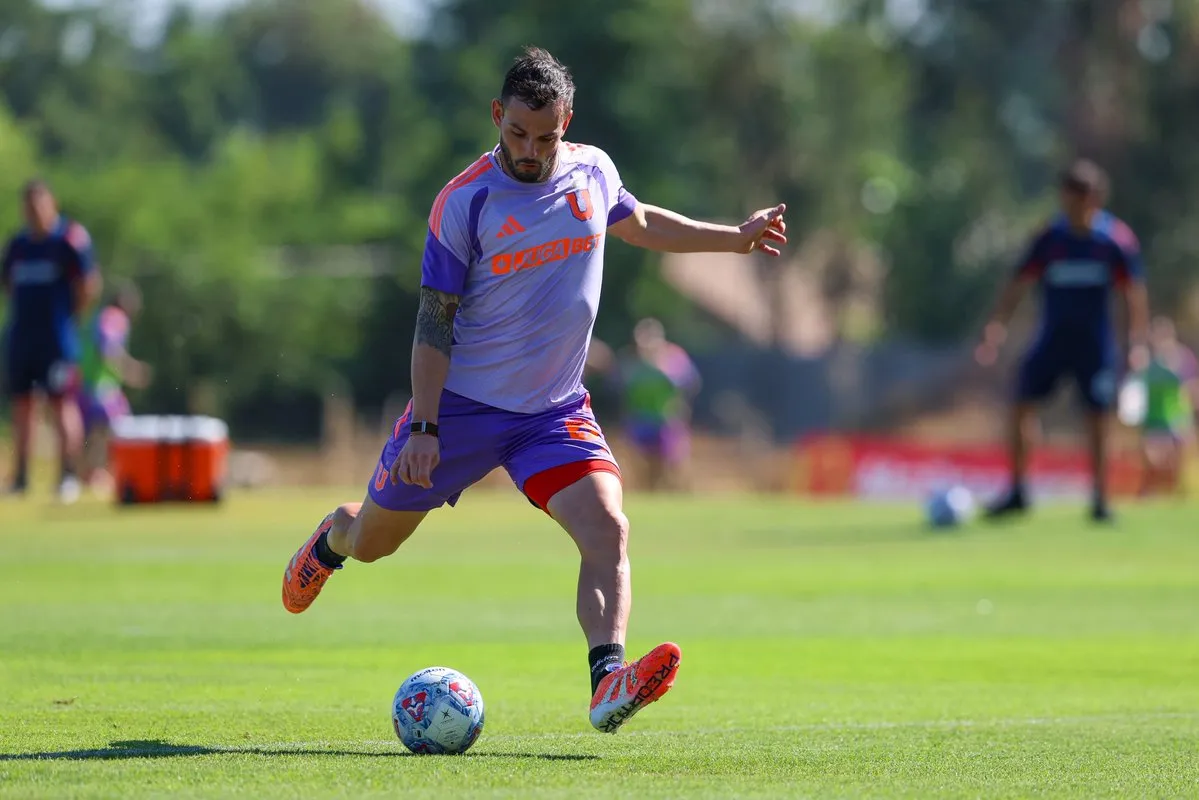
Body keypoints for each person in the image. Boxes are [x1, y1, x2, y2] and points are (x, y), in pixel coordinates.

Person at [281, 47, 787, 734]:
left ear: (565, 121)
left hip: (552, 411)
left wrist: (733, 238)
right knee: (374, 542)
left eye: (544, 135)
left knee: (608, 527)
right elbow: (433, 323)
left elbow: (637, 223)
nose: (529, 149)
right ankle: (331, 541)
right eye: (517, 132)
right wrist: (425, 428)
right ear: (497, 115)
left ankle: (607, 680)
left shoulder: (592, 169)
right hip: (459, 409)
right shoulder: (464, 202)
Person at [975, 159, 1149, 522]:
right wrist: (996, 325)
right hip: (1052, 340)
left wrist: (1136, 342)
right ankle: (1019, 491)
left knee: (1098, 417)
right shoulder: (1049, 239)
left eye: (1079, 199)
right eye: (1067, 199)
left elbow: (1133, 294)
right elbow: (1017, 283)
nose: (1072, 207)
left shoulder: (1114, 241)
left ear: (1095, 199)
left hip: (1094, 344)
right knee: (1021, 403)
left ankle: (1100, 500)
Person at [2, 180, 99, 502]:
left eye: (38, 205)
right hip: (22, 338)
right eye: (28, 207)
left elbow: (88, 285)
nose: (33, 213)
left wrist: (71, 319)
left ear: (51, 203)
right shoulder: (18, 246)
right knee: (22, 408)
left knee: (61, 405)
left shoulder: (69, 240)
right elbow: (8, 286)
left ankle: (67, 476)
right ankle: (21, 478)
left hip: (56, 340)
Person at [591, 319, 701, 491]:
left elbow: (689, 383)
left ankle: (669, 496)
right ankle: (651, 494)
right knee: (643, 465)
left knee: (668, 466)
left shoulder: (674, 358)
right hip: (639, 420)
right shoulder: (630, 362)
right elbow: (617, 385)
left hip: (666, 420)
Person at [78, 279, 151, 492]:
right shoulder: (115, 317)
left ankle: (92, 474)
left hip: (89, 382)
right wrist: (131, 370)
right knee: (114, 429)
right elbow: (108, 347)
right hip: (99, 385)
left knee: (97, 431)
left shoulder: (101, 315)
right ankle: (97, 474)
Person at [1135, 316, 1198, 496]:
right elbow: (1135, 388)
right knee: (1152, 462)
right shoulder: (1146, 361)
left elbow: (1192, 386)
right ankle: (1147, 493)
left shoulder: (1183, 358)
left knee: (1177, 465)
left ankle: (1178, 495)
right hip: (1154, 419)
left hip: (1177, 418)